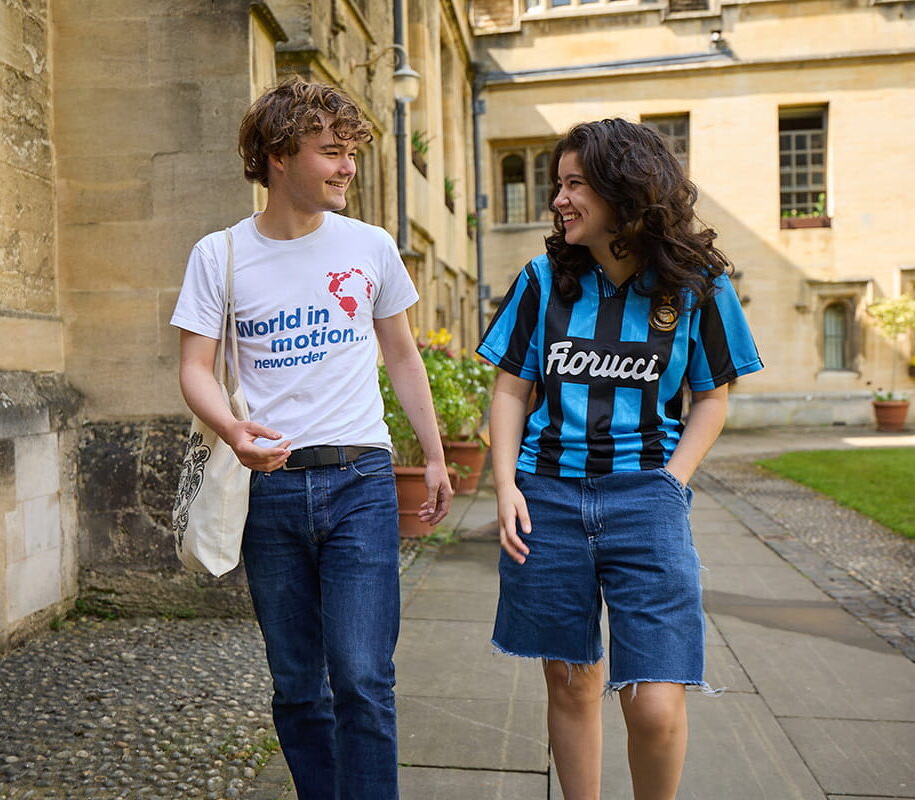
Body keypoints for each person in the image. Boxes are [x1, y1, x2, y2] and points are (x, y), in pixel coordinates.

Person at [170, 77, 452, 800]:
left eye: (350, 151)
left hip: (360, 479)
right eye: (331, 152)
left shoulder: (371, 245)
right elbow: (194, 368)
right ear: (275, 155)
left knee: (362, 676)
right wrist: (233, 431)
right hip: (272, 487)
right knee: (298, 685)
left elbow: (402, 354)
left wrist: (435, 453)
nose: (348, 167)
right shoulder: (220, 254)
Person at [478, 118, 763, 800]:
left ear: (622, 188)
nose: (558, 201)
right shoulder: (542, 281)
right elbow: (511, 389)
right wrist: (505, 487)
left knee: (656, 704)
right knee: (572, 682)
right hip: (546, 498)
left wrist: (672, 482)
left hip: (647, 501)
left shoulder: (699, 284)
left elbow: (712, 399)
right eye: (558, 185)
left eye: (575, 184)